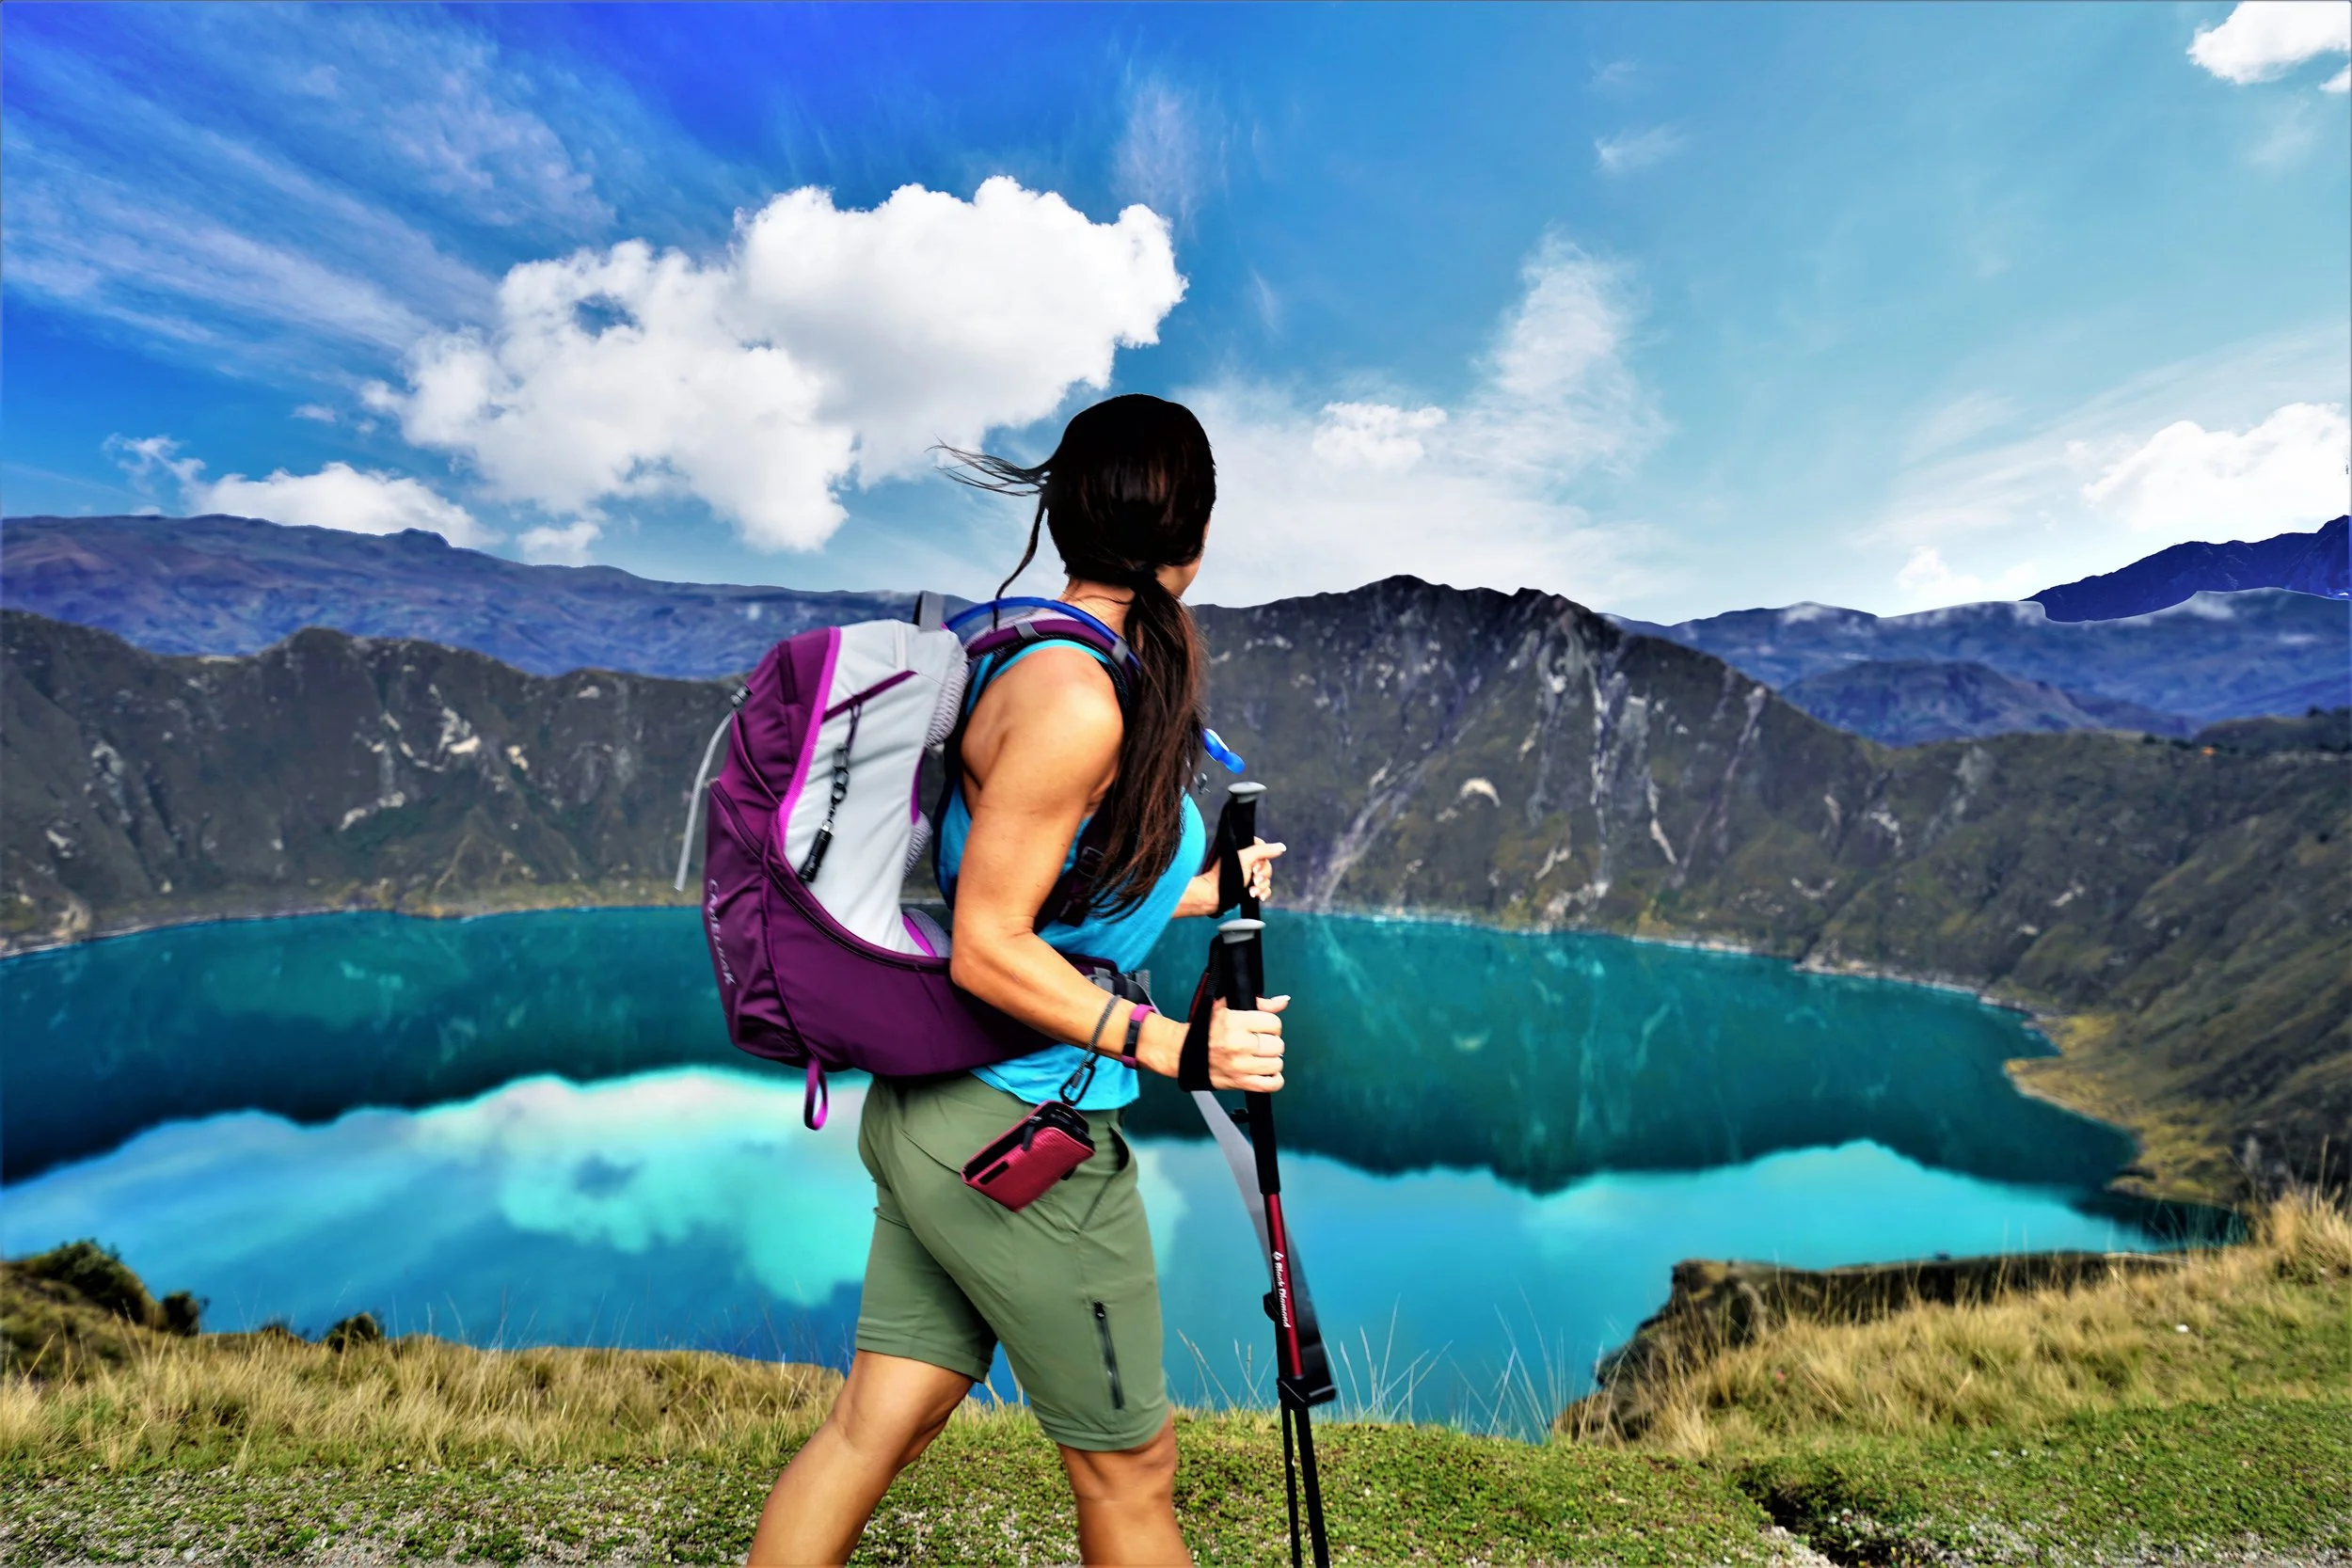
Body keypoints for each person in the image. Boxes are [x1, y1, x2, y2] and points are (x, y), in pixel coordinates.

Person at [748, 394, 1291, 1567]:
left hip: (941, 1113)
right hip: (1019, 1139)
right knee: (1130, 1468)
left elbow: (1059, 897)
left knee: (874, 1423)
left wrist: (1211, 885)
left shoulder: (1035, 654)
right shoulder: (1074, 698)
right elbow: (992, 942)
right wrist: (1176, 1049)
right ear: (1192, 545)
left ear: (1059, 518)